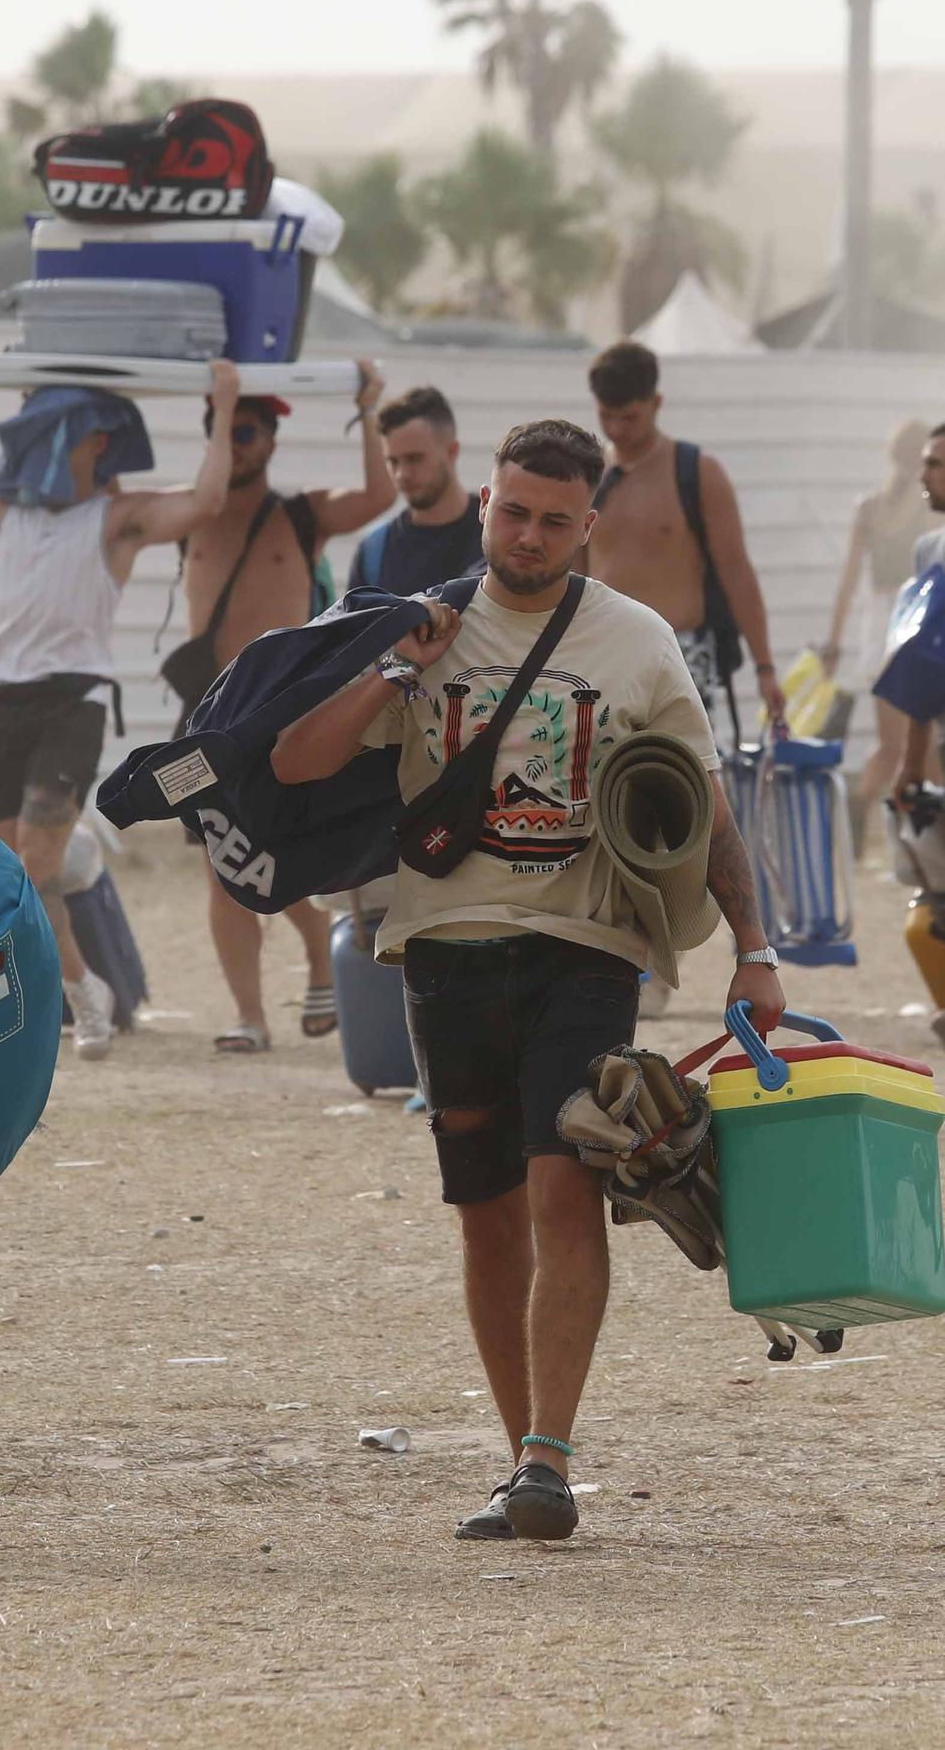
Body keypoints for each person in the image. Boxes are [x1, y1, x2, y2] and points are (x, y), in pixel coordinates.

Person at [270, 417, 783, 1543]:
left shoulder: (637, 640)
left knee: (563, 1188)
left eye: (556, 520)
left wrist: (755, 948)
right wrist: (398, 668)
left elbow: (709, 810)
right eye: (514, 511)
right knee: (489, 1216)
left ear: (588, 525)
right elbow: (296, 760)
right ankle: (521, 1461)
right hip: (444, 953)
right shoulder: (422, 627)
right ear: (485, 500)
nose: (530, 536)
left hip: (584, 947)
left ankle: (550, 1456)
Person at [0, 356, 238, 1062]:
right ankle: (84, 989)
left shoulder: (116, 517)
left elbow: (206, 502)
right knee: (14, 876)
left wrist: (221, 407)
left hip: (70, 704)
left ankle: (65, 1004)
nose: (79, 446)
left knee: (36, 865)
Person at [180, 363, 395, 1054]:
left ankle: (313, 959)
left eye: (245, 432)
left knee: (275, 856)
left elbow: (376, 494)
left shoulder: (299, 514)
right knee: (221, 861)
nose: (235, 444)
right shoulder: (195, 512)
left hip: (282, 713)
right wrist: (215, 407)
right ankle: (249, 1015)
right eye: (221, 432)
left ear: (271, 440)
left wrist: (365, 409)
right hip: (208, 715)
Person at [583, 340, 785, 731]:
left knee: (678, 782)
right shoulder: (588, 474)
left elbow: (737, 573)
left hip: (679, 656)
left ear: (656, 404)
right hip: (601, 655)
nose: (617, 430)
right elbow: (569, 569)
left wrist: (765, 668)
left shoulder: (697, 472)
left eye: (629, 417)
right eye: (607, 417)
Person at [823, 418, 934, 844]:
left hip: (878, 628)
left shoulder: (867, 507)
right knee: (920, 744)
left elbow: (849, 582)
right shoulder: (927, 508)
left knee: (893, 744)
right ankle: (918, 837)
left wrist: (834, 642)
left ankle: (863, 804)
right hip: (916, 618)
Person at [347, 385, 485, 596]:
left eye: (415, 458)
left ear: (452, 452)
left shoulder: (497, 534)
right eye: (393, 461)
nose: (402, 474)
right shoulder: (375, 551)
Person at [891, 421, 945, 807]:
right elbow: (920, 662)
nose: (922, 474)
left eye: (935, 464)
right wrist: (912, 762)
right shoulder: (928, 553)